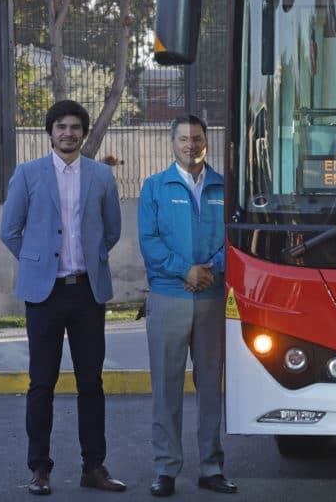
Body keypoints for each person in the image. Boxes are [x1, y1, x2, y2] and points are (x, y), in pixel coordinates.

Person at [0, 99, 126, 496]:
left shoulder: (102, 176)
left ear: (83, 132)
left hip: (88, 293)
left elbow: (112, 230)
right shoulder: (28, 173)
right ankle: (39, 469)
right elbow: (10, 230)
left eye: (74, 126)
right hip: (44, 295)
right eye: (60, 126)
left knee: (91, 383)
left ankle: (94, 467)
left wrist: (88, 259)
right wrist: (36, 262)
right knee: (42, 384)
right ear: (50, 132)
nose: (67, 132)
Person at [138, 115, 237, 497]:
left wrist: (212, 270)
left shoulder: (223, 187)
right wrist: (186, 271)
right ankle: (165, 470)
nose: (190, 145)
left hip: (212, 298)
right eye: (183, 139)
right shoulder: (155, 188)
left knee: (211, 386)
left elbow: (233, 236)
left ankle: (211, 468)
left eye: (196, 138)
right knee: (166, 388)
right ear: (172, 143)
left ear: (206, 142)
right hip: (169, 297)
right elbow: (149, 241)